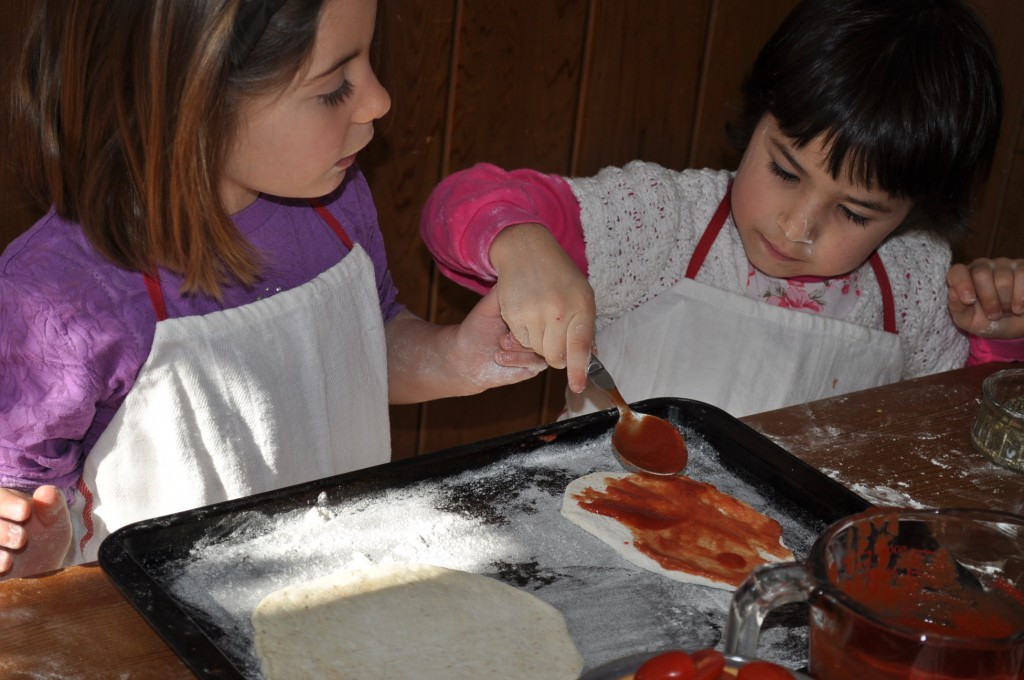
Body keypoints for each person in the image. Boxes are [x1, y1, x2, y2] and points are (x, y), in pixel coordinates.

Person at [0, 0, 547, 579]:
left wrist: (458, 359)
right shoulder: (58, 296)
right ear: (190, 105)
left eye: (368, 59)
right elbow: (25, 511)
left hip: (345, 581)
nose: (379, 100)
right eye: (336, 86)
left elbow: (358, 348)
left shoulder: (335, 199)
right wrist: (32, 554)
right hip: (155, 626)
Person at [420, 0, 1024, 421]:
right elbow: (462, 200)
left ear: (914, 212)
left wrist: (998, 342)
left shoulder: (916, 284)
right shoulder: (662, 222)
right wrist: (522, 245)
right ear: (760, 113)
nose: (797, 226)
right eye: (785, 171)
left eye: (857, 214)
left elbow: (957, 426)